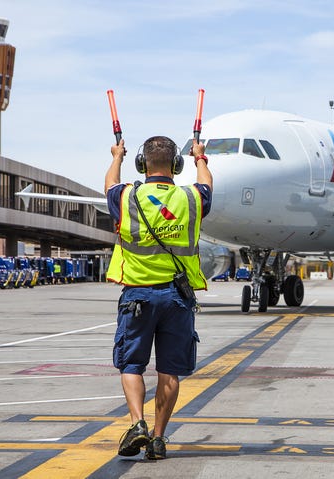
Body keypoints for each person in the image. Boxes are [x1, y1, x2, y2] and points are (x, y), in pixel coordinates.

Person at [104, 135, 213, 460]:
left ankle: (138, 423)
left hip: (137, 296)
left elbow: (110, 183)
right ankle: (159, 438)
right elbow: (207, 186)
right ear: (176, 165)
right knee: (169, 371)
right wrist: (200, 158)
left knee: (131, 365)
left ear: (142, 163)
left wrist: (117, 156)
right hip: (177, 299)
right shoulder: (191, 199)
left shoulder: (126, 197)